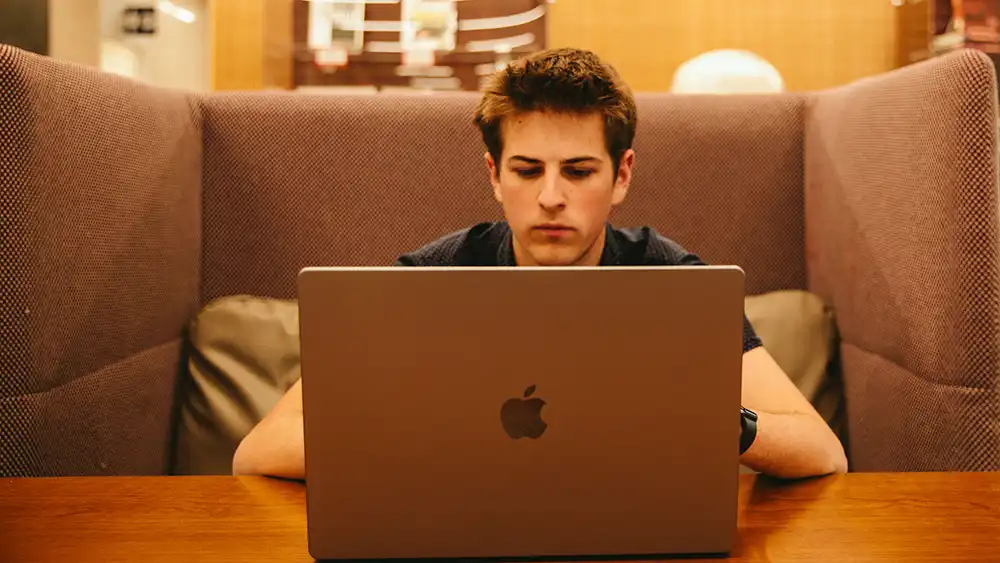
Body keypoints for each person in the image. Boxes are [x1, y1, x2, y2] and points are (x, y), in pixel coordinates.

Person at [232, 47, 848, 481]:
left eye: (579, 171)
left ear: (621, 175)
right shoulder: (433, 278)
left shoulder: (670, 279)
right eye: (528, 171)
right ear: (495, 176)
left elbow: (821, 451)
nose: (552, 196)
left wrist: (711, 420)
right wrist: (438, 431)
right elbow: (261, 451)